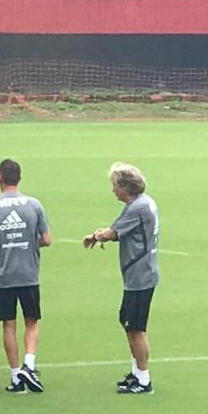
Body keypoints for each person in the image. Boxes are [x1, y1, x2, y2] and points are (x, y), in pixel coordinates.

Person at [83, 162, 160, 395]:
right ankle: (137, 372)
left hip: (140, 274)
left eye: (115, 185)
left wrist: (96, 236)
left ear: (126, 186)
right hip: (139, 273)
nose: (113, 190)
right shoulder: (142, 204)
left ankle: (144, 379)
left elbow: (113, 232)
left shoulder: (138, 207)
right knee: (127, 320)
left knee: (136, 327)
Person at [0, 159, 51, 394]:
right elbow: (46, 239)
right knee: (31, 321)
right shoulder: (34, 204)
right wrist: (29, 244)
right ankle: (29, 364)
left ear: (0, 178)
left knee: (8, 325)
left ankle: (16, 375)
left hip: (3, 275)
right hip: (29, 273)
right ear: (19, 178)